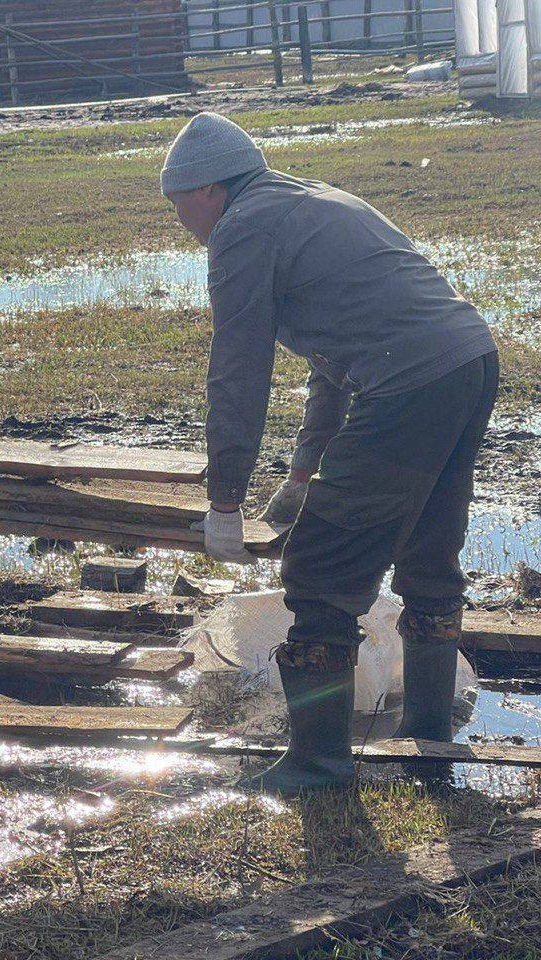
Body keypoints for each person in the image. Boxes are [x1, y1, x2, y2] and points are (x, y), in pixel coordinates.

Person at [161, 113, 497, 794]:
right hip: (470, 360)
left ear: (209, 191)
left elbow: (238, 369)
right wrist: (303, 473)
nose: (181, 222)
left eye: (179, 205)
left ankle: (318, 761)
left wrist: (224, 500)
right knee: (430, 552)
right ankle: (427, 735)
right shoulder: (312, 199)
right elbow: (331, 366)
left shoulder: (242, 230)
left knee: (318, 568)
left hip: (409, 383)